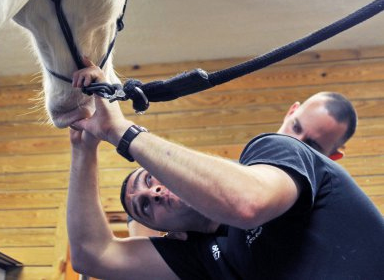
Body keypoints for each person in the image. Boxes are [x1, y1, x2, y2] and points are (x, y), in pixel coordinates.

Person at [67, 60, 384, 280]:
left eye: (150, 178)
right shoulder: (202, 257)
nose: (154, 192)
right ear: (171, 233)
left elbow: (247, 203)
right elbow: (93, 255)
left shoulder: (280, 150)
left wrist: (123, 131)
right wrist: (83, 148)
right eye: (145, 205)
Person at [126, 90, 357, 237]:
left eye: (312, 147)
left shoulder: (321, 209)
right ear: (291, 111)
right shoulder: (229, 178)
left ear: (332, 157)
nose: (295, 144)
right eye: (295, 128)